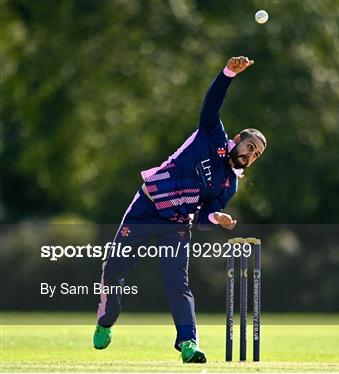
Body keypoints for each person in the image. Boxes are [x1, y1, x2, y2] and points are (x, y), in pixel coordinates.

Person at [92, 56, 266, 363]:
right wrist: (228, 74)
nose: (251, 155)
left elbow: (204, 217)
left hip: (176, 223)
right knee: (114, 270)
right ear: (236, 140)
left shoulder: (230, 185)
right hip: (146, 208)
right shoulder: (212, 135)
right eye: (250, 146)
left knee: (177, 282)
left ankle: (188, 344)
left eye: (256, 154)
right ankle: (107, 319)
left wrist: (217, 217)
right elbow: (213, 100)